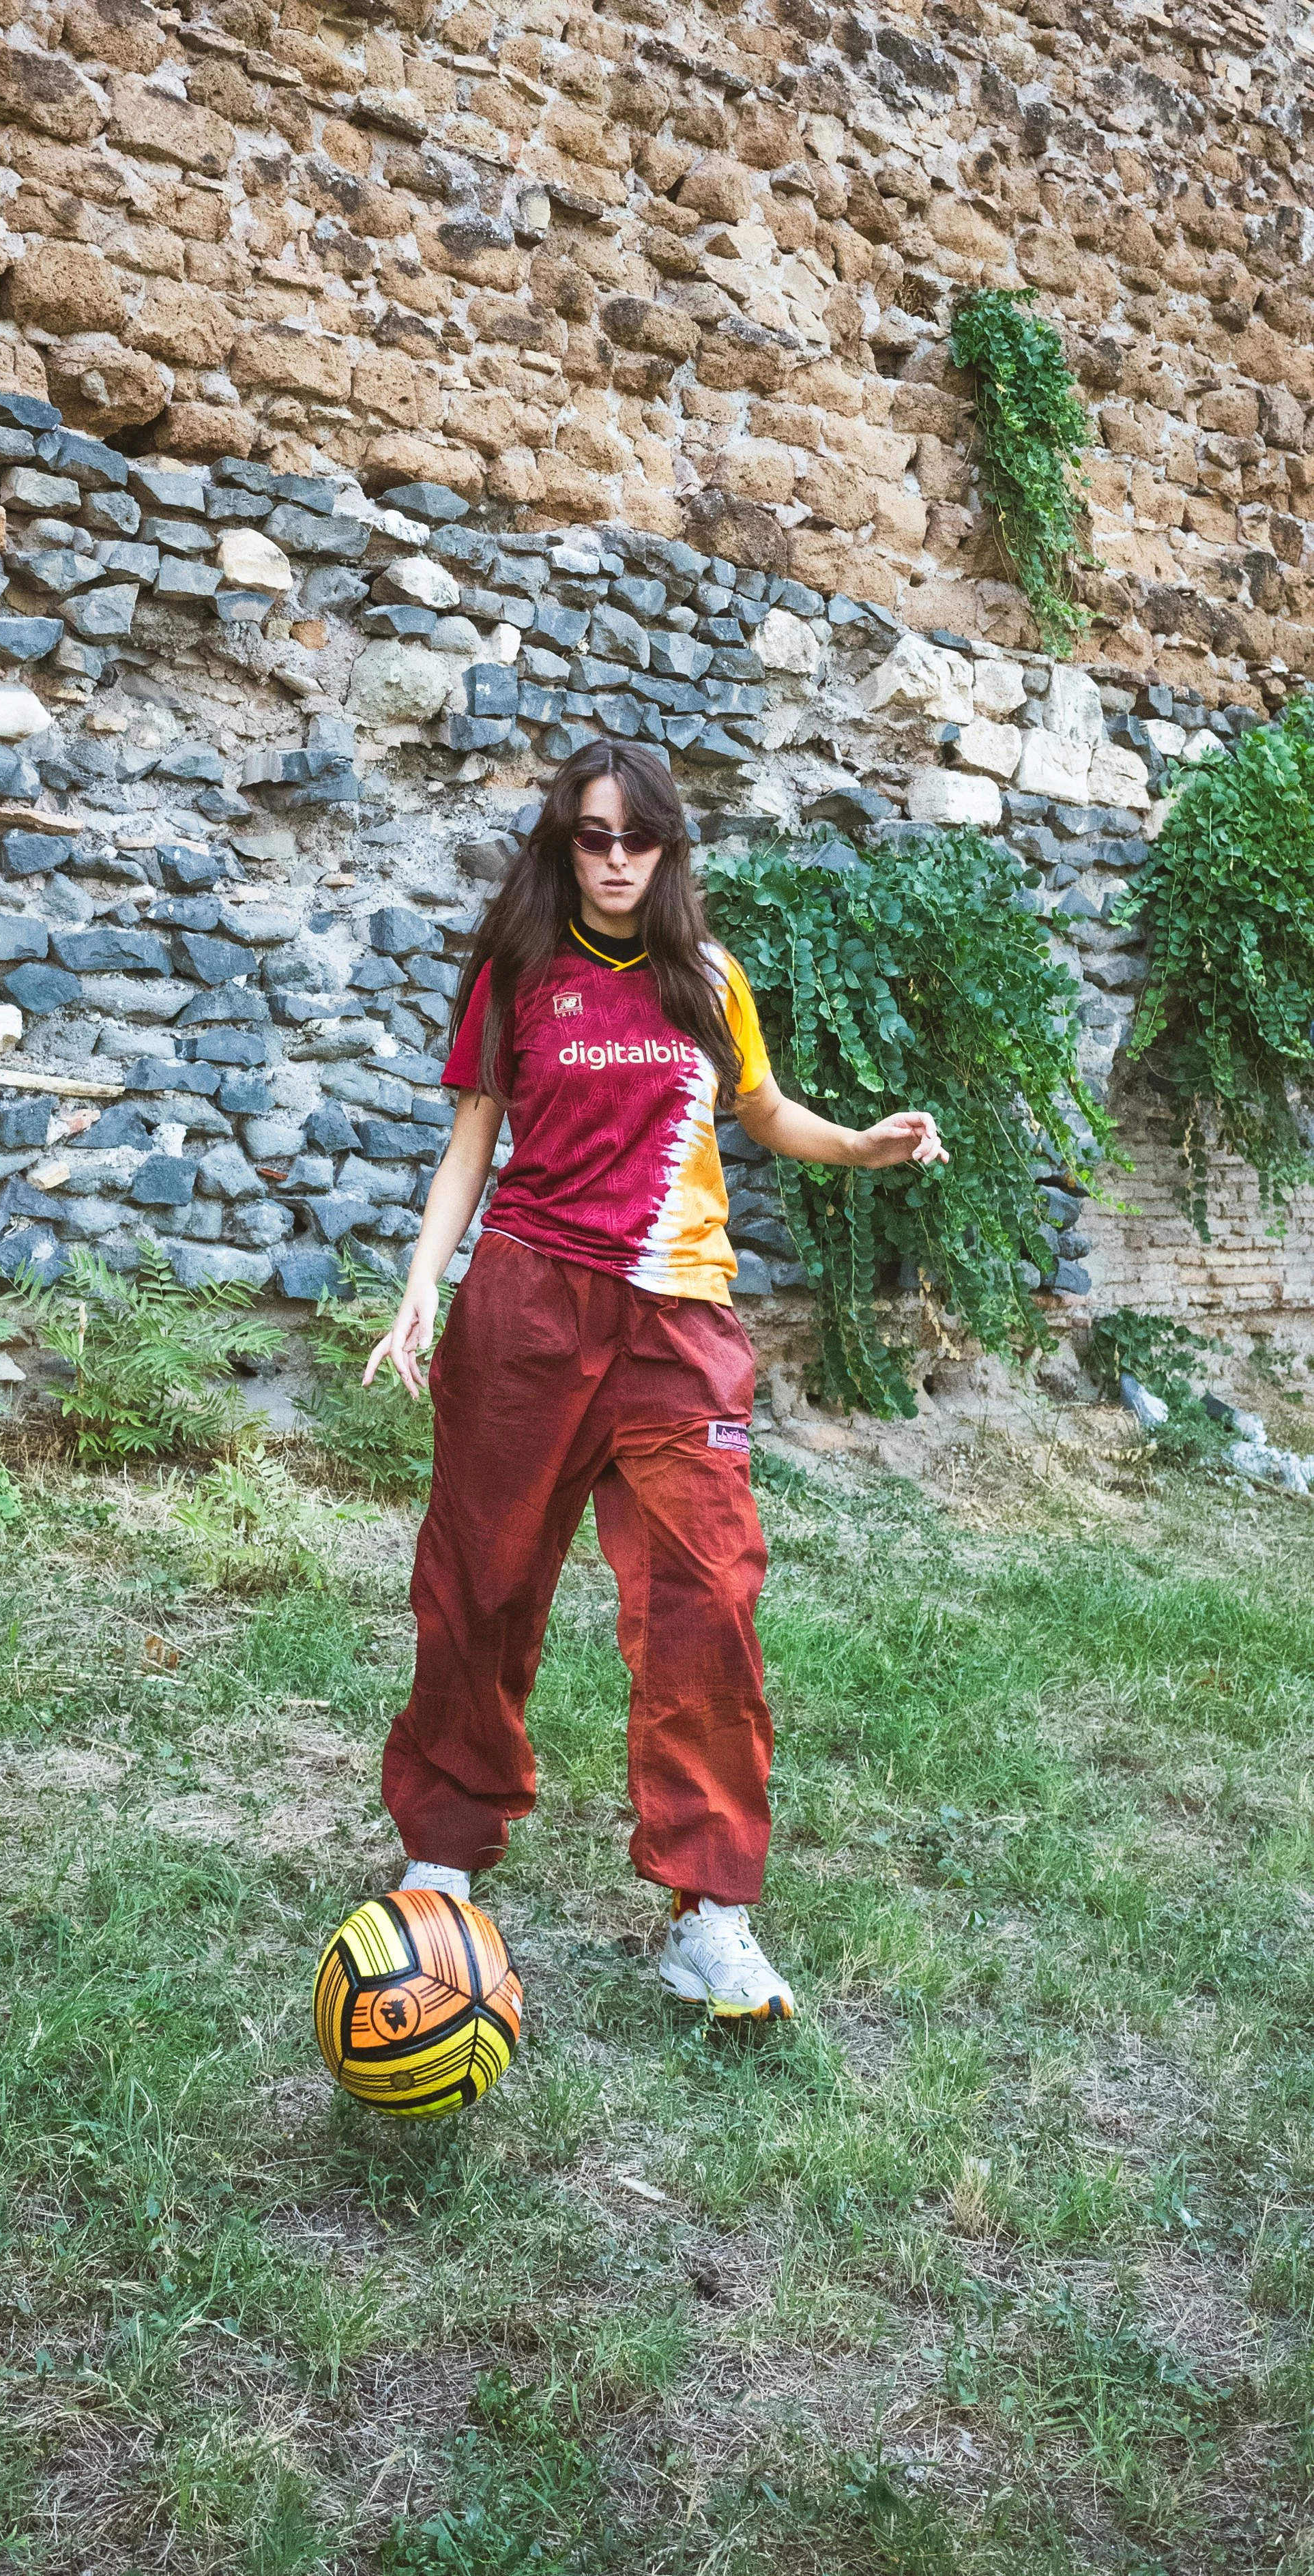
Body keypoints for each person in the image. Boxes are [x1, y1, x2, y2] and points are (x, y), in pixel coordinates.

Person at [363, 741, 948, 2019]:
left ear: (671, 848)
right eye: (591, 834)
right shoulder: (518, 973)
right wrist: (424, 1282)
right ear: (561, 843)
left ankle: (711, 1916)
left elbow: (767, 1110)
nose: (615, 859)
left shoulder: (708, 978)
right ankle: (442, 1863)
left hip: (678, 1324)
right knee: (479, 1578)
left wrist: (858, 1140)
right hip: (524, 1309)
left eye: (639, 838)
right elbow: (471, 1139)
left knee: (708, 1598)